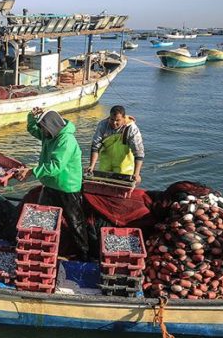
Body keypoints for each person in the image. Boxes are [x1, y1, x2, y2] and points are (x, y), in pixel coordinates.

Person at [15, 108, 89, 259]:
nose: (42, 132)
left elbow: (56, 166)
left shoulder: (66, 141)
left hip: (67, 187)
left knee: (75, 223)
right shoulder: (49, 135)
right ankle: (40, 248)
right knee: (40, 217)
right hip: (50, 185)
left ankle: (84, 254)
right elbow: (33, 129)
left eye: (44, 128)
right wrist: (32, 116)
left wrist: (31, 171)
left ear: (52, 127)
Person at [86, 105, 145, 184]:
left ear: (124, 118)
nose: (114, 123)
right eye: (112, 119)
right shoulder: (103, 125)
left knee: (122, 185)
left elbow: (139, 153)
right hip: (105, 162)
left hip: (124, 166)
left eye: (118, 120)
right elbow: (95, 147)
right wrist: (91, 166)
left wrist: (136, 174)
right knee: (103, 185)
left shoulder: (131, 129)